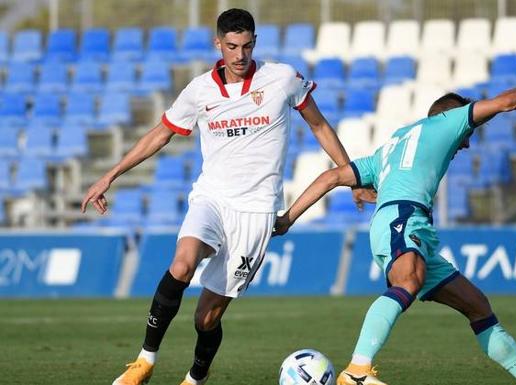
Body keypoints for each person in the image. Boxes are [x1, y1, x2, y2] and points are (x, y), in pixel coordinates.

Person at [81, 8, 373, 385]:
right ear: (218, 44)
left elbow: (318, 125)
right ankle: (144, 360)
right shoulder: (200, 90)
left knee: (206, 318)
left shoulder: (281, 78)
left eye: (247, 46)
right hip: (212, 199)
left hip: (256, 212)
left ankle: (195, 377)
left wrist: (352, 176)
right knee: (183, 264)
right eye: (232, 46)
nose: (240, 55)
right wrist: (110, 175)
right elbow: (160, 134)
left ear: (256, 43)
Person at [273, 73, 516, 385]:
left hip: (405, 223)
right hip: (403, 218)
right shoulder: (446, 123)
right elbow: (505, 103)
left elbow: (331, 178)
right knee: (408, 280)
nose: (466, 143)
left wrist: (289, 218)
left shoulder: (393, 145)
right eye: (467, 135)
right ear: (452, 115)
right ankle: (357, 370)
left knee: (477, 306)